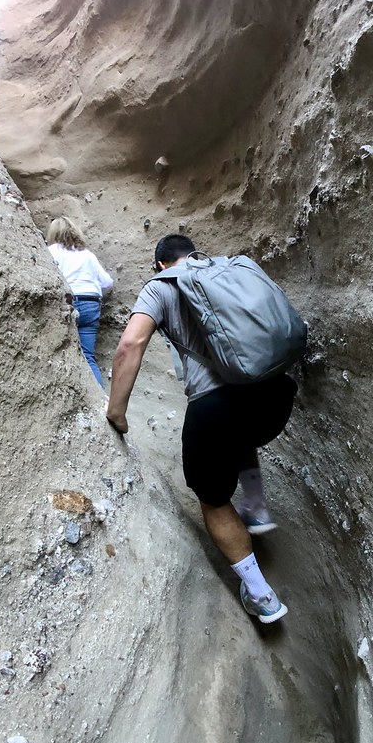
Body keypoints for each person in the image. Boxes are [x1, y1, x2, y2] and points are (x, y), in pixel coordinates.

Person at [106, 234, 297, 624]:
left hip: (217, 410)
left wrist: (117, 412)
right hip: (276, 395)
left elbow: (131, 344)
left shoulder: (160, 286)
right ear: (191, 253)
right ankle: (257, 508)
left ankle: (262, 597)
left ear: (160, 264)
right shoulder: (227, 268)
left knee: (213, 500)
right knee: (240, 439)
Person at [46, 216, 114, 388]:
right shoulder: (87, 255)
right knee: (88, 356)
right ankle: (101, 400)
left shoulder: (52, 251)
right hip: (91, 304)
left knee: (59, 353)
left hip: (67, 303)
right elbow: (107, 282)